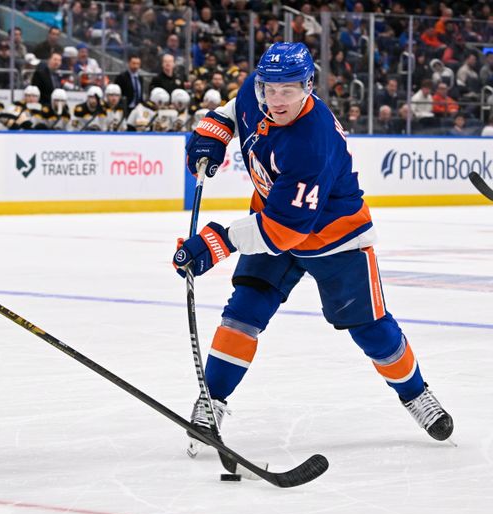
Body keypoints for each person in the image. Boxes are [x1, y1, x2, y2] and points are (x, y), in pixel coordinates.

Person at [176, 42, 453, 458]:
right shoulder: (258, 89)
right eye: (270, 89)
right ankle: (211, 400)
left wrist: (215, 243)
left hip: (335, 239)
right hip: (273, 219)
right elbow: (234, 111)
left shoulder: (312, 140)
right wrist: (212, 133)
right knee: (243, 311)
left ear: (308, 86)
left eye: (288, 90)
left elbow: (285, 232)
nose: (276, 100)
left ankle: (416, 394)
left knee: (371, 329)